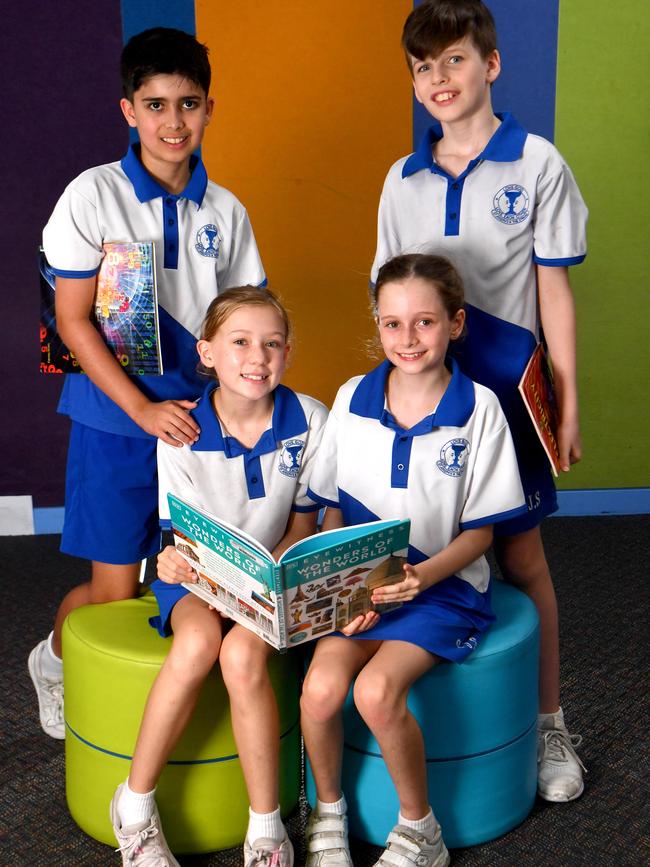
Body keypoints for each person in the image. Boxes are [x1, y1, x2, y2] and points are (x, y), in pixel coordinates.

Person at [371, 0, 588, 802]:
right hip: (430, 398)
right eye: (423, 67)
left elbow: (553, 291)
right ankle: (422, 720)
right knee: (424, 548)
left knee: (522, 559)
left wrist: (564, 402)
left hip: (509, 396)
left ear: (490, 65)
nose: (439, 79)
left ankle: (549, 724)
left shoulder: (537, 163)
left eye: (454, 60)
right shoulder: (403, 177)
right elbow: (392, 294)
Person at [29, 27, 265, 741]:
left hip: (196, 421)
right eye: (155, 104)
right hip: (115, 417)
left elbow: (243, 320)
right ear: (128, 109)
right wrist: (141, 407)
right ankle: (54, 658)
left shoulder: (225, 212)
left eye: (188, 104)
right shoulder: (91, 195)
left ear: (209, 109)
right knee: (115, 589)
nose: (172, 122)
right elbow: (73, 322)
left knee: (192, 578)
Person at [301, 254, 526, 867]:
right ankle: (327, 816)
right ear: (377, 325)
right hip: (362, 589)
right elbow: (331, 511)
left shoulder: (479, 410)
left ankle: (419, 830)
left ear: (455, 324)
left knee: (375, 692)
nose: (408, 339)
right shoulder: (351, 398)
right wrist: (349, 592)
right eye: (392, 324)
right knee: (319, 692)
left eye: (424, 323)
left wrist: (420, 577)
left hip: (443, 587)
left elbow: (480, 535)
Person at [110, 286, 328, 866]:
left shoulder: (309, 419)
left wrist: (266, 579)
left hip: (273, 577)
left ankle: (266, 828)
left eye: (272, 344)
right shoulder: (182, 430)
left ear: (287, 352)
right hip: (197, 577)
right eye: (239, 343)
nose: (257, 357)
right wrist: (180, 566)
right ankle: (134, 805)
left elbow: (305, 523)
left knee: (241, 655)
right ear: (207, 353)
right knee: (202, 640)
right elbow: (179, 541)